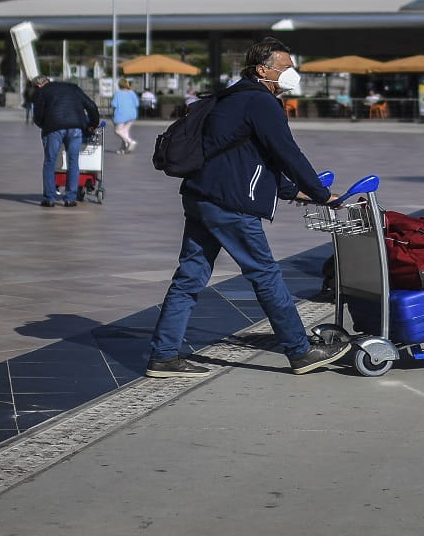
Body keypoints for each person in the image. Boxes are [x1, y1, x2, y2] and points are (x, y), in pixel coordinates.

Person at [146, 37, 350, 378]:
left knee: (190, 275)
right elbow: (286, 152)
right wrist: (320, 192)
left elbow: (250, 155)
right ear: (262, 69)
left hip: (202, 195)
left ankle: (164, 355)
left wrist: (292, 190)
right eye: (285, 68)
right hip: (229, 203)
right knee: (265, 274)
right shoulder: (260, 102)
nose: (291, 74)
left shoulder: (236, 96)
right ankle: (300, 351)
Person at [30, 75, 100, 206]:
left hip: (53, 129)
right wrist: (93, 123)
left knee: (50, 162)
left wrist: (44, 125)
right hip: (75, 128)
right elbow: (91, 106)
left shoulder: (41, 92)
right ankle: (70, 198)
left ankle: (49, 199)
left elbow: (37, 116)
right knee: (73, 162)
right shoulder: (72, 88)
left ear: (38, 85)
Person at [111, 77, 141, 154]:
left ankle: (130, 142)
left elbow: (114, 104)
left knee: (118, 131)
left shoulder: (117, 93)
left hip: (121, 115)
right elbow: (137, 104)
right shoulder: (132, 93)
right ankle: (123, 149)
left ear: (119, 85)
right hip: (132, 114)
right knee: (125, 131)